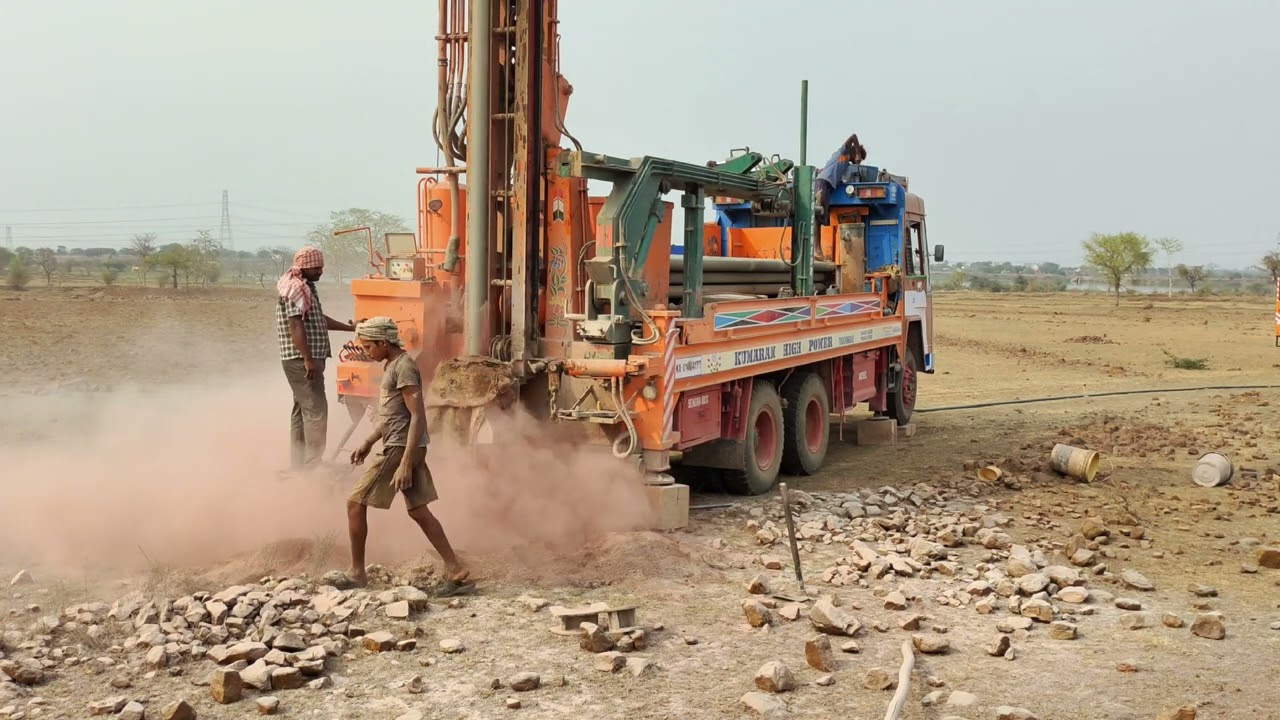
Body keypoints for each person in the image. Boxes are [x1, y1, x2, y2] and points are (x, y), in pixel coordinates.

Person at [346, 316, 469, 588]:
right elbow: (392, 416)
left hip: (400, 448)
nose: (367, 352)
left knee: (355, 504)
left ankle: (357, 573)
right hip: (402, 446)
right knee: (418, 511)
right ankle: (455, 568)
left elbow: (417, 417)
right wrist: (368, 441)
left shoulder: (404, 368)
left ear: (383, 342)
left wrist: (405, 462)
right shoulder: (392, 365)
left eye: (368, 347)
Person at [276, 245, 355, 468]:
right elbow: (295, 325)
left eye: (321, 267)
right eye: (316, 267)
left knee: (302, 411)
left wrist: (352, 329)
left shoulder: (305, 287)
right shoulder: (294, 288)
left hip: (305, 359)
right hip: (301, 360)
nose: (321, 271)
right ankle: (313, 466)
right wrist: (308, 359)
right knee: (317, 411)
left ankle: (300, 465)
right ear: (305, 267)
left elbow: (319, 319)